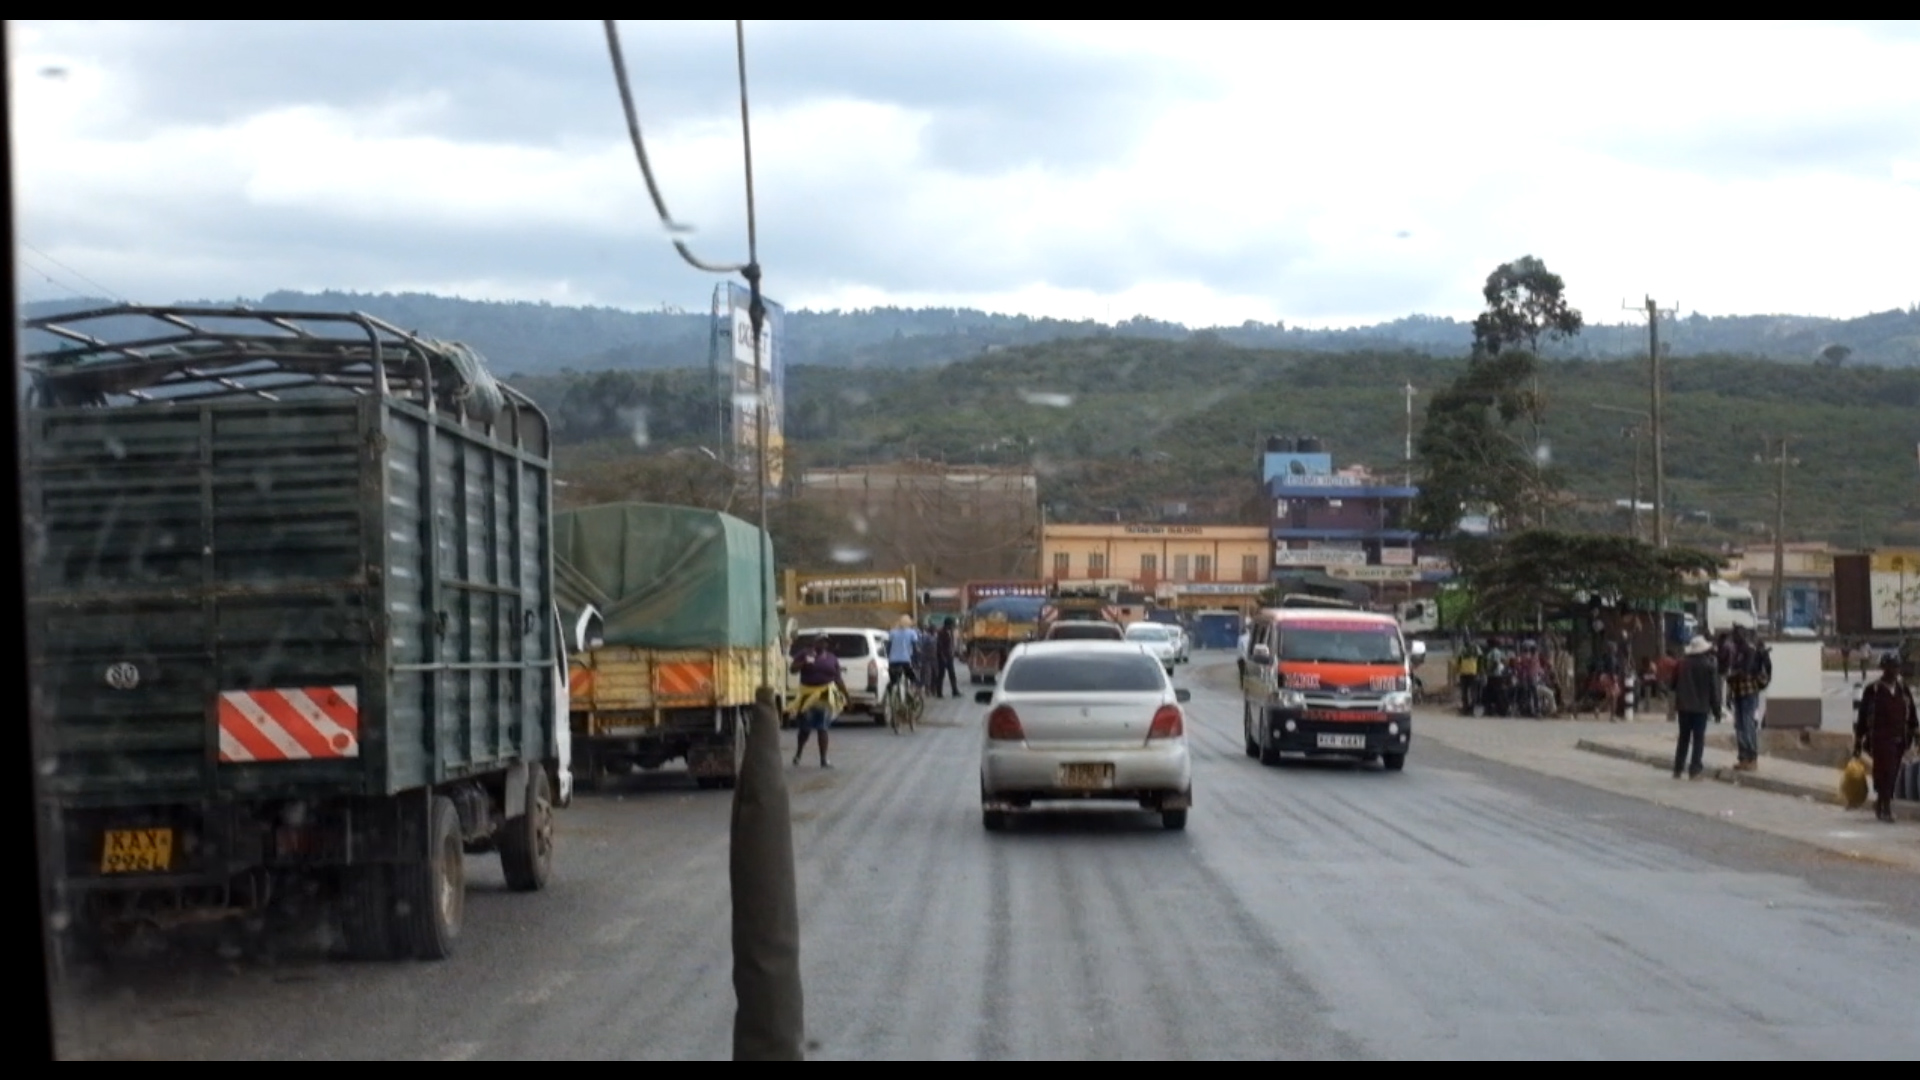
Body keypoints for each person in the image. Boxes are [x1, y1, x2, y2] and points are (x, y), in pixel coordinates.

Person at [1854, 653, 1919, 823]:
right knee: (1886, 772)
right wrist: (1858, 742)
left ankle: (1882, 802)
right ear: (1883, 669)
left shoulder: (1903, 690)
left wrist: (1916, 734)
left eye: (1896, 667)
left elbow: (1912, 714)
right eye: (1890, 667)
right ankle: (1886, 806)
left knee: (1893, 772)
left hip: (1900, 739)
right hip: (1879, 740)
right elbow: (1862, 718)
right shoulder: (1873, 690)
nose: (1894, 671)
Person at [790, 633, 847, 768]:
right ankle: (798, 753)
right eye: (820, 641)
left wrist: (846, 697)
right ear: (814, 643)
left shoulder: (832, 658)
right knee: (805, 728)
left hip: (825, 695)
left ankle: (823, 759)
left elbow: (838, 679)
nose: (823, 644)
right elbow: (792, 670)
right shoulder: (805, 654)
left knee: (823, 728)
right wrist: (804, 662)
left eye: (825, 642)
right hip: (807, 695)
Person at [1671, 635, 1723, 780]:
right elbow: (1714, 690)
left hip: (1683, 707)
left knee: (1683, 738)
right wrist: (1717, 710)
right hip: (1700, 708)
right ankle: (1694, 770)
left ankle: (1678, 768)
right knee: (1698, 739)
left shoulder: (1681, 664)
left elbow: (1672, 684)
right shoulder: (1709, 665)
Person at [1726, 627, 1764, 772]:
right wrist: (1729, 694)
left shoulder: (1749, 651)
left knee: (1748, 725)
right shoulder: (1735, 652)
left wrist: (1733, 674)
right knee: (1739, 726)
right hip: (1737, 692)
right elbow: (1733, 674)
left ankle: (1752, 757)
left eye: (1736, 635)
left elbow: (1745, 671)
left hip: (1749, 692)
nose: (1735, 638)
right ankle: (1743, 757)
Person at [887, 614, 922, 699]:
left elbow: (888, 647)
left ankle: (890, 693)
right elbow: (915, 648)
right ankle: (913, 691)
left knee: (893, 680)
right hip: (905, 661)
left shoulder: (892, 632)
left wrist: (888, 657)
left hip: (893, 661)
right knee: (912, 677)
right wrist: (918, 659)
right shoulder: (912, 633)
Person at [934, 617, 961, 699]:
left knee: (952, 674)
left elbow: (951, 644)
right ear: (948, 625)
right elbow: (939, 646)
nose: (953, 626)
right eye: (952, 624)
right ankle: (939, 693)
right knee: (941, 675)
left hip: (949, 656)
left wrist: (955, 653)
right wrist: (943, 657)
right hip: (943, 657)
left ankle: (955, 691)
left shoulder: (950, 632)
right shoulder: (941, 632)